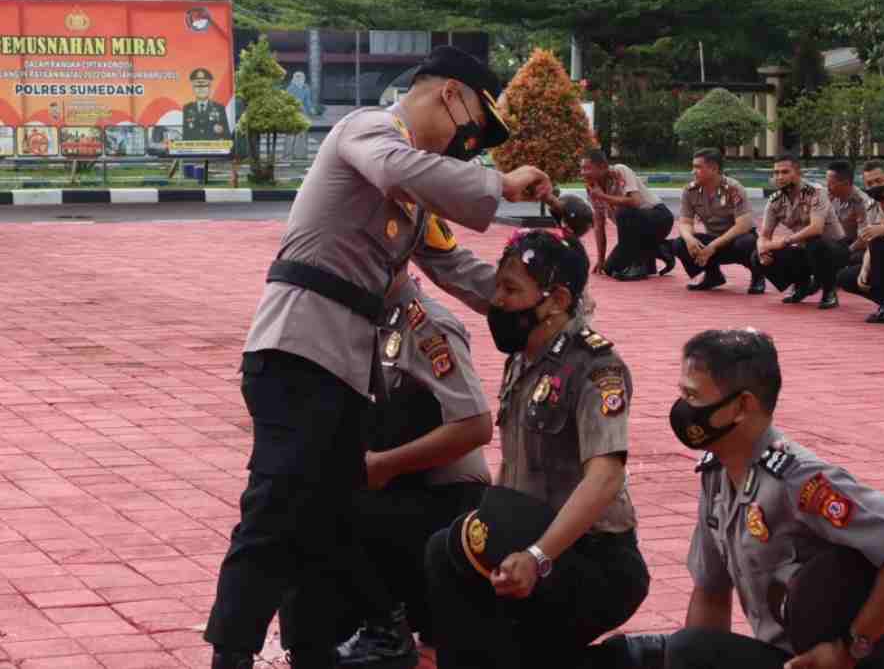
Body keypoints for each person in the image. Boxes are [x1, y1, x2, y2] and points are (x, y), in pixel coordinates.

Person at [205, 46, 552, 669]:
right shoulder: (369, 130)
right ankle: (231, 653)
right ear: (450, 94)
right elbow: (396, 169)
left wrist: (535, 305)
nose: (466, 146)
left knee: (331, 513)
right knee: (277, 505)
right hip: (295, 351)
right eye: (470, 126)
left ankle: (319, 645)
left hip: (342, 369)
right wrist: (499, 184)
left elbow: (455, 268)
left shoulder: (417, 195)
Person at [424, 229, 650, 669]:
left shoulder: (597, 366)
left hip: (592, 554)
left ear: (557, 298)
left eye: (511, 290)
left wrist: (537, 556)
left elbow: (605, 478)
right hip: (526, 528)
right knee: (445, 555)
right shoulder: (525, 355)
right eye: (498, 288)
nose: (499, 301)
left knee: (516, 644)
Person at [663, 328, 884, 669]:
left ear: (741, 406)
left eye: (693, 397)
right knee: (684, 652)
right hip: (783, 656)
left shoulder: (800, 480)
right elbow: (710, 591)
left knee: (685, 650)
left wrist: (850, 649)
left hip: (832, 662)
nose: (683, 409)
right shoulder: (716, 474)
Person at [328, 269, 493, 667]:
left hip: (450, 499)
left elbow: (476, 425)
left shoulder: (426, 324)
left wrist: (384, 465)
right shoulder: (369, 318)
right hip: (407, 486)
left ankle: (388, 630)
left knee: (336, 516)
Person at [754, 152, 847, 308]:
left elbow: (816, 229)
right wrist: (762, 249)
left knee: (815, 244)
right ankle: (802, 285)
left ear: (798, 173)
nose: (779, 177)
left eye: (785, 172)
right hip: (805, 249)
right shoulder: (775, 200)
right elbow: (764, 235)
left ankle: (829, 291)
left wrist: (784, 241)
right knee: (756, 256)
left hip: (833, 249)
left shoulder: (816, 193)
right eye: (776, 172)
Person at [672, 148, 766, 294]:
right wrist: (689, 238)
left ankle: (758, 275)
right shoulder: (690, 191)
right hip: (714, 240)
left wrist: (713, 246)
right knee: (679, 243)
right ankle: (713, 275)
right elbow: (685, 222)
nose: (693, 171)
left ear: (714, 168)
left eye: (698, 167)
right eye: (693, 167)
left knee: (746, 242)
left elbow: (743, 225)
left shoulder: (733, 188)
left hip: (736, 239)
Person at [580, 149, 675, 281]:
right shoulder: (592, 188)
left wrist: (603, 196)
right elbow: (599, 225)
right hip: (635, 232)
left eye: (587, 168)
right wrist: (601, 260)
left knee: (624, 212)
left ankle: (639, 265)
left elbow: (635, 202)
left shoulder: (620, 170)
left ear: (603, 167)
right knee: (609, 269)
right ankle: (660, 250)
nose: (583, 173)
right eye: (582, 169)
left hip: (658, 218)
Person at [836, 159, 884, 322]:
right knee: (846, 277)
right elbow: (871, 242)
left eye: (879, 181)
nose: (875, 186)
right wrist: (864, 268)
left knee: (881, 243)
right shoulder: (872, 206)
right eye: (869, 183)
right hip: (883, 259)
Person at [826, 160, 869, 262]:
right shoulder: (831, 196)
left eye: (830, 184)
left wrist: (847, 251)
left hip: (853, 245)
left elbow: (864, 238)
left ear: (845, 183)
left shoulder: (861, 202)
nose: (827, 187)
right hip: (836, 241)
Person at [182, 68, 232, 140]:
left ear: (210, 87)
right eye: (198, 86)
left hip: (213, 150)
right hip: (193, 149)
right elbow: (185, 135)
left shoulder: (219, 108)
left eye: (205, 86)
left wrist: (221, 130)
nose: (201, 89)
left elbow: (227, 136)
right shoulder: (187, 108)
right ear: (193, 88)